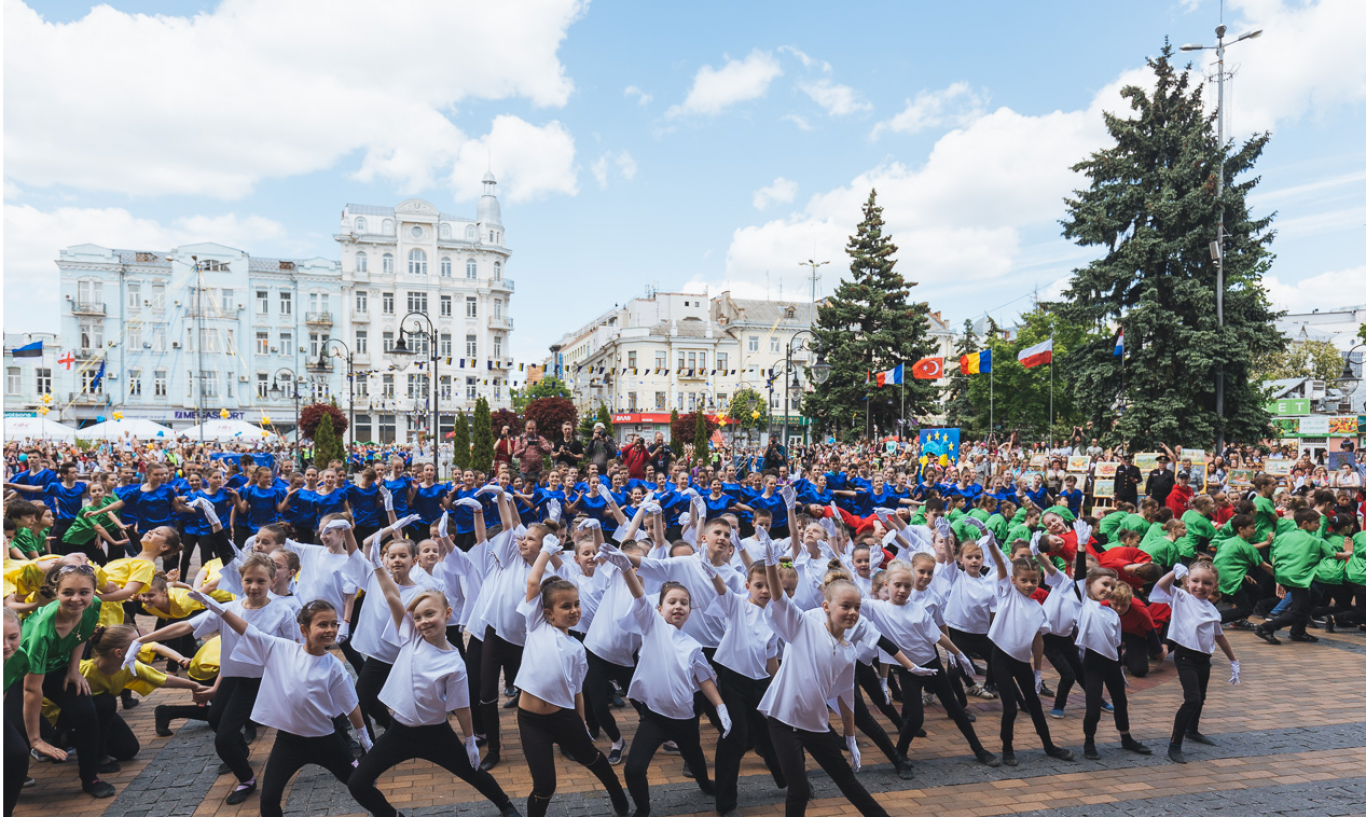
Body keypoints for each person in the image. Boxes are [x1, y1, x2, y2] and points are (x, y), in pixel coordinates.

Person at [346, 530, 519, 817]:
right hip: (399, 731)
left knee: (472, 772)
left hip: (436, 733)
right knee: (357, 783)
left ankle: (506, 805)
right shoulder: (410, 636)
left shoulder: (454, 661)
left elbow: (462, 705)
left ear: (447, 614)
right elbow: (391, 595)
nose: (423, 621)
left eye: (430, 615)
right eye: (418, 616)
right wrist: (377, 563)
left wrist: (469, 741)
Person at [185, 590, 371, 817]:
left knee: (360, 786)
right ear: (304, 630)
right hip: (288, 742)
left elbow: (351, 705)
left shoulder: (334, 667)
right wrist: (217, 608)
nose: (330, 630)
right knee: (269, 798)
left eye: (334, 624)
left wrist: (364, 739)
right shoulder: (280, 649)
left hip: (326, 740)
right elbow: (247, 630)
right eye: (323, 624)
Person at [135, 553, 299, 806]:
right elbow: (186, 627)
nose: (254, 586)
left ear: (272, 580)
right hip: (233, 677)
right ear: (240, 581)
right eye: (248, 580)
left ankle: (246, 778)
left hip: (260, 680)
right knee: (214, 718)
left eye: (261, 581)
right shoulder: (228, 609)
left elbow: (292, 648)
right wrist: (143, 640)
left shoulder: (282, 611)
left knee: (224, 738)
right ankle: (239, 752)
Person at [752, 531, 893, 817]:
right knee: (800, 789)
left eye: (857, 607)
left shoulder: (848, 651)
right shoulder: (803, 625)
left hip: (816, 725)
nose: (852, 612)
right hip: (783, 720)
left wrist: (850, 737)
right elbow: (779, 599)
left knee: (847, 780)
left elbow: (844, 697)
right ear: (827, 607)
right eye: (845, 606)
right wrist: (770, 561)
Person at [516, 535, 630, 817]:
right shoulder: (536, 626)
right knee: (545, 785)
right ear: (548, 613)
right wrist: (545, 550)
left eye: (576, 604)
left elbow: (577, 689)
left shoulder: (578, 647)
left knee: (592, 759)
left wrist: (581, 722)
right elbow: (533, 583)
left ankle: (619, 797)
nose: (574, 610)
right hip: (530, 721)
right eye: (566, 606)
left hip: (564, 717)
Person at [19, 564, 110, 797]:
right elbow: (32, 689)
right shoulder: (43, 630)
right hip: (18, 675)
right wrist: (36, 739)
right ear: (56, 592)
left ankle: (90, 778)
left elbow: (81, 634)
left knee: (86, 712)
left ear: (94, 591)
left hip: (58, 667)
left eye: (84, 592)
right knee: (16, 734)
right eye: (68, 592)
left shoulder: (95, 606)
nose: (76, 599)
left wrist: (73, 670)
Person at [1152, 562, 1240, 763]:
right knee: (1192, 699)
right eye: (1195, 581)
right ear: (1188, 582)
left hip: (1204, 659)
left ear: (1215, 587)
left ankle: (1192, 730)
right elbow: (1161, 586)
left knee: (1200, 698)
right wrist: (1174, 572)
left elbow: (1220, 636)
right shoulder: (1181, 598)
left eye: (1207, 583)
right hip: (1185, 657)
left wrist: (1234, 661)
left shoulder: (1211, 609)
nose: (1200, 586)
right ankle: (1175, 744)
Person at [514, 420, 553, 486]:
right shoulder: (520, 439)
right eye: (529, 428)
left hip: (537, 471)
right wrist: (524, 449)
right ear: (525, 428)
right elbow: (516, 454)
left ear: (536, 429)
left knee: (537, 490)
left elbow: (548, 451)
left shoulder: (540, 439)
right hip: (524, 472)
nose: (531, 430)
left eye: (533, 429)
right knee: (524, 490)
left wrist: (540, 446)